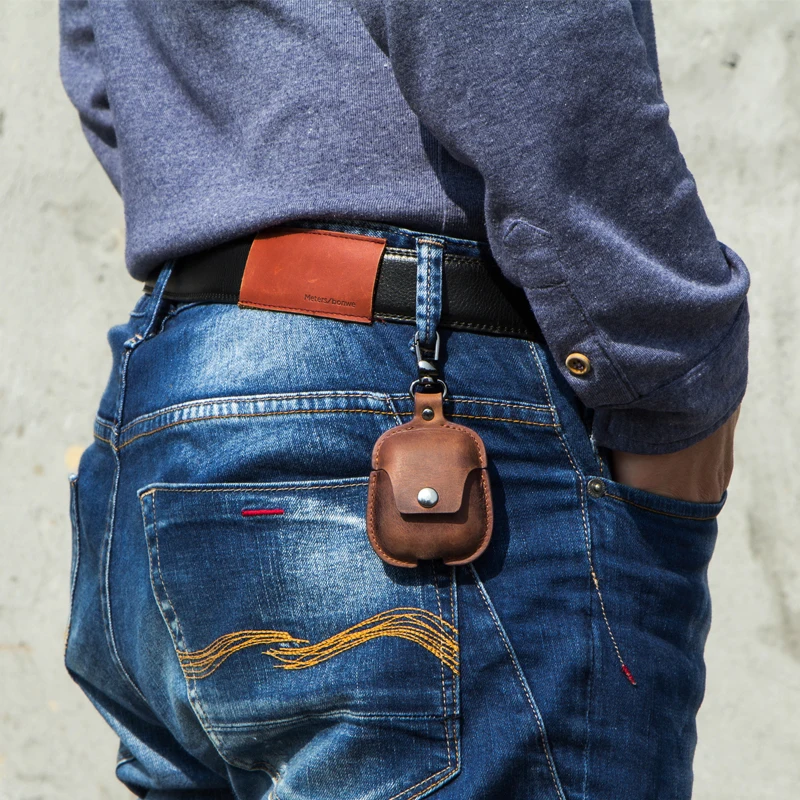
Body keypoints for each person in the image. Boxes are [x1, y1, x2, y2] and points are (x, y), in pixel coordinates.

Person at [59, 1, 749, 798]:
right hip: (414, 371)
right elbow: (515, 38)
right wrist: (673, 366)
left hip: (170, 395)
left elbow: (102, 65)